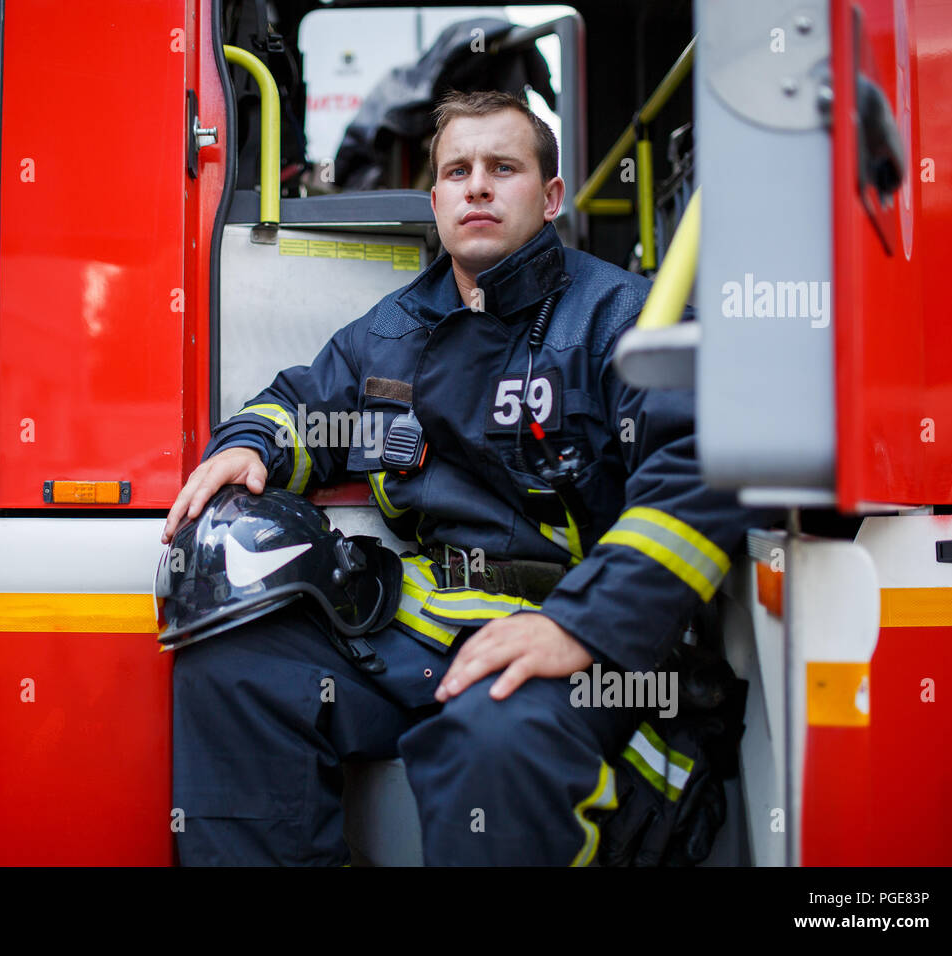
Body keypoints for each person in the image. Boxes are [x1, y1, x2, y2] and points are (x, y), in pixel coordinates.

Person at [161, 89, 762, 865]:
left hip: (585, 648)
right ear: (437, 199)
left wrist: (580, 626)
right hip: (425, 631)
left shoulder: (622, 320)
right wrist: (251, 446)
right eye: (459, 170)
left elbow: (701, 466)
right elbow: (301, 406)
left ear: (549, 198)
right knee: (237, 671)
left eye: (502, 168)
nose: (477, 185)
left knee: (492, 741)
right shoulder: (388, 333)